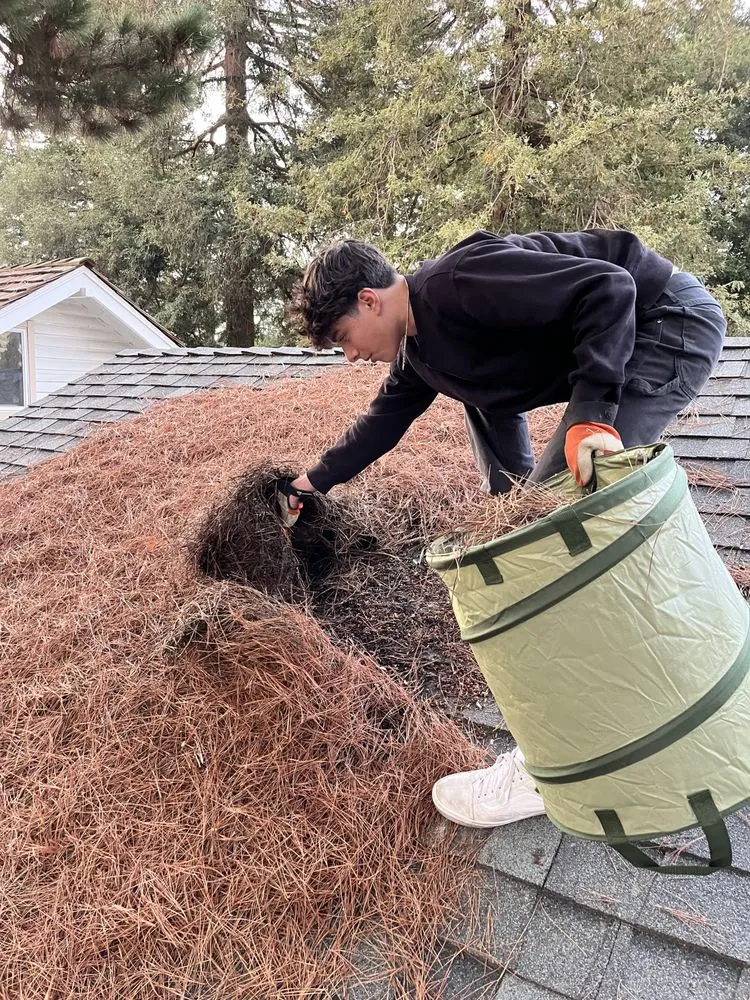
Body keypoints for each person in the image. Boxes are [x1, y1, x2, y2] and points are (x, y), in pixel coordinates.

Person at [283, 228, 727, 830]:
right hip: (643, 327)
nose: (351, 356)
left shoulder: (456, 287)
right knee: (534, 519)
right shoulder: (422, 347)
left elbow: (609, 287)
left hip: (664, 325)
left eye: (343, 339)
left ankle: (554, 763)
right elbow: (384, 421)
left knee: (559, 535)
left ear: (369, 301)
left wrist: (593, 413)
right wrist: (311, 483)